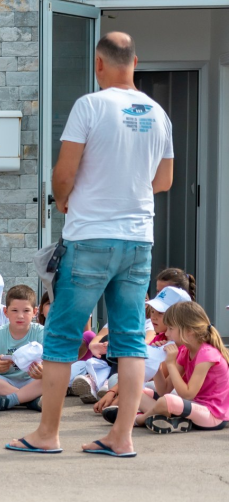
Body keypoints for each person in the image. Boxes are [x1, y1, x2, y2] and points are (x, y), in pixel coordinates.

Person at [12, 33, 174, 456]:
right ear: (135, 62)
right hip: (138, 239)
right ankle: (121, 438)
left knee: (62, 337)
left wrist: (66, 200)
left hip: (90, 237)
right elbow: (164, 181)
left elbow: (64, 172)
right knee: (131, 340)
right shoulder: (159, 114)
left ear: (99, 65)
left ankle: (47, 435)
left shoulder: (90, 105)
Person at [109, 302, 227, 434]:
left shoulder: (206, 354)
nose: (167, 334)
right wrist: (157, 362)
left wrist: (170, 364)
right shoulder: (185, 352)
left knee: (167, 401)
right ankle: (165, 418)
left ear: (188, 331)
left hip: (213, 415)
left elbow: (188, 393)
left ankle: (139, 419)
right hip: (193, 407)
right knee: (137, 391)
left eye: (171, 328)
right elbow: (164, 389)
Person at [93, 285, 190, 414]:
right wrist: (112, 391)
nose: (153, 317)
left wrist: (117, 396)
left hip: (179, 394)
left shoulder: (183, 345)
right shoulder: (159, 337)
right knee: (116, 379)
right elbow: (145, 372)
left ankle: (141, 412)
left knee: (143, 386)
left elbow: (151, 380)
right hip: (160, 390)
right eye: (153, 311)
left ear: (179, 318)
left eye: (160, 313)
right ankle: (142, 410)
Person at [0, 285, 45, 412]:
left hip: (32, 381)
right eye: (15, 310)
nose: (20, 316)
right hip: (5, 382)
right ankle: (29, 400)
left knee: (53, 377)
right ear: (5, 312)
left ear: (34, 312)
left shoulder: (41, 332)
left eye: (26, 311)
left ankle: (8, 400)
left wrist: (42, 371)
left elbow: (51, 363)